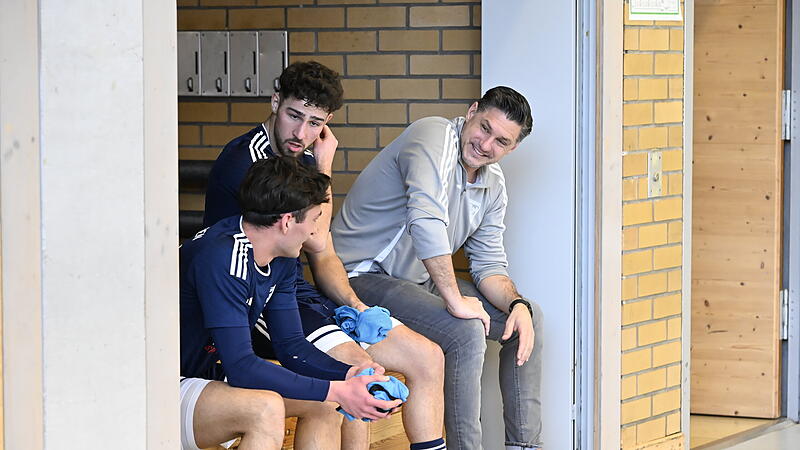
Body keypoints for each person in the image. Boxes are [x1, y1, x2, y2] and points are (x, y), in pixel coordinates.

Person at [203, 60, 446, 450]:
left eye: (314, 123)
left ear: (328, 122)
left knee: (427, 356)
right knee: (356, 373)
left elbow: (324, 252)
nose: (301, 133)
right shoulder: (246, 161)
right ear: (275, 101)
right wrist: (326, 166)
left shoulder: (301, 157)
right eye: (293, 116)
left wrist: (358, 306)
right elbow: (313, 237)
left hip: (292, 289)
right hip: (252, 296)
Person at [331, 86, 544, 450]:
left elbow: (489, 264)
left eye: (501, 141)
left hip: (417, 282)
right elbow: (425, 218)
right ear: (471, 112)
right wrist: (455, 300)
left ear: (512, 149)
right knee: (465, 330)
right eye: (484, 128)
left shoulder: (493, 184)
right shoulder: (433, 134)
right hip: (360, 277)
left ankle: (525, 447)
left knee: (526, 318)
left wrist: (516, 304)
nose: (485, 144)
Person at [181, 157, 400, 450]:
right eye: (313, 219)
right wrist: (338, 390)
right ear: (286, 222)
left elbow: (292, 346)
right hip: (153, 386)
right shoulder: (223, 257)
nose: (313, 232)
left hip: (199, 375)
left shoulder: (280, 256)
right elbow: (241, 366)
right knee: (265, 409)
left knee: (323, 403)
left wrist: (350, 374)